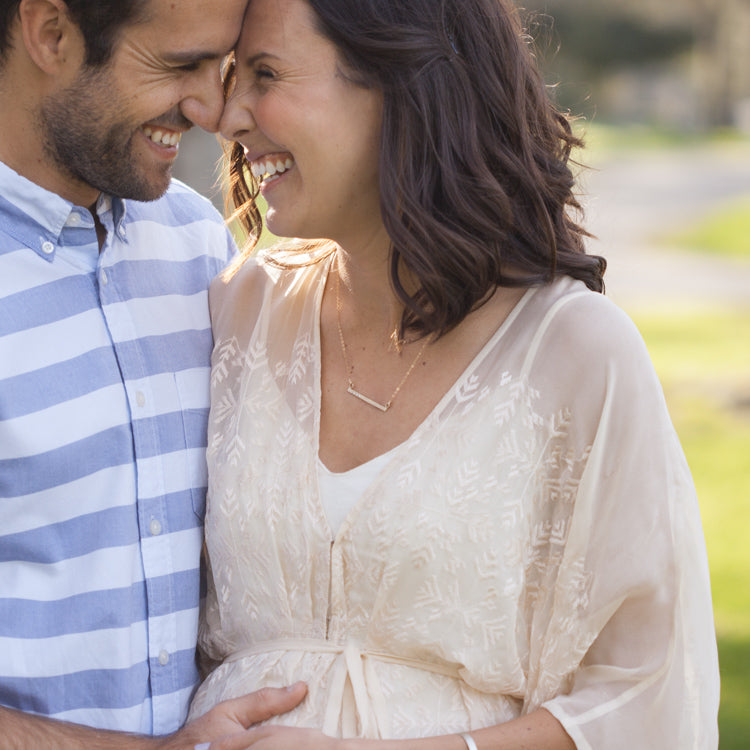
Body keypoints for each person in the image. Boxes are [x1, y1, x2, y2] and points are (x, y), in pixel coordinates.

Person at [187, 0, 721, 747]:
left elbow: (642, 696)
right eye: (233, 77)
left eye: (266, 75)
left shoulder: (576, 354)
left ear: (403, 87)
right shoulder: (235, 313)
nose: (228, 116)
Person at [0, 0, 306, 747]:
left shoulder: (198, 245)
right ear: (51, 33)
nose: (211, 109)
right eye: (178, 66)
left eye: (224, 66)